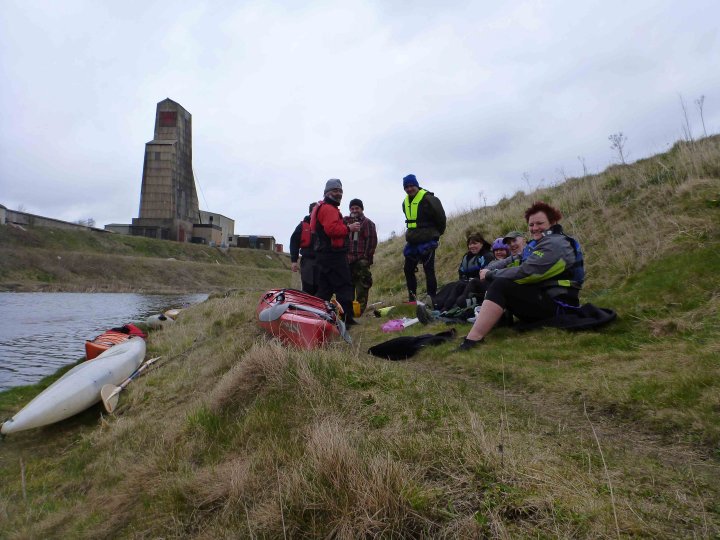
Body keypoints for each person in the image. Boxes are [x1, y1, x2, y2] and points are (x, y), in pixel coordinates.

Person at [459, 201, 585, 350]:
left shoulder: (556, 245)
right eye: (531, 225)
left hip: (559, 306)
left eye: (540, 223)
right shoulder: (539, 244)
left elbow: (528, 272)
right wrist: (490, 272)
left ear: (553, 222)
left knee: (501, 284)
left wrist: (492, 274)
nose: (534, 228)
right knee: (500, 283)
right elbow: (515, 262)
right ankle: (490, 323)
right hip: (544, 299)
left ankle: (473, 341)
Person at [310, 179, 361, 325]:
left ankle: (315, 317)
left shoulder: (323, 207)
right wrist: (349, 228)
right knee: (344, 286)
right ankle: (347, 320)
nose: (338, 193)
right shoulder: (328, 209)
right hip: (333, 255)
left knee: (325, 290)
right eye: (335, 191)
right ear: (327, 192)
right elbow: (331, 230)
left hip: (324, 255)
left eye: (340, 191)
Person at [401, 173, 446, 304]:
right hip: (412, 242)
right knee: (408, 269)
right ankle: (412, 299)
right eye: (406, 187)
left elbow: (441, 218)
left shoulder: (429, 199)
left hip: (428, 240)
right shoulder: (405, 202)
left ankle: (432, 299)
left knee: (428, 270)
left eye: (411, 186)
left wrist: (436, 235)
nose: (409, 189)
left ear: (416, 185)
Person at [432, 232, 493, 312]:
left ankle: (445, 308)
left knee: (459, 286)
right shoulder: (467, 257)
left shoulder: (486, 256)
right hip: (466, 282)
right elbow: (461, 272)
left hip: (478, 284)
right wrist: (464, 279)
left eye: (475, 243)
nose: (472, 246)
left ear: (482, 244)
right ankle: (435, 304)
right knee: (451, 285)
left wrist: (469, 281)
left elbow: (485, 274)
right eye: (470, 244)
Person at [343, 198, 378, 314]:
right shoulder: (345, 222)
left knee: (362, 287)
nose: (354, 210)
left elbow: (372, 242)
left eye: (357, 208)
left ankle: (359, 313)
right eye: (352, 208)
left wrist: (366, 259)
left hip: (361, 261)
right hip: (347, 261)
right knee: (347, 288)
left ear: (362, 209)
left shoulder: (368, 223)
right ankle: (348, 311)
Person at [289, 202, 319, 295]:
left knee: (321, 288)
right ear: (310, 212)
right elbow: (294, 242)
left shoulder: (324, 225)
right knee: (307, 287)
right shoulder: (302, 226)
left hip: (322, 261)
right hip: (307, 261)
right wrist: (294, 261)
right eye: (315, 211)